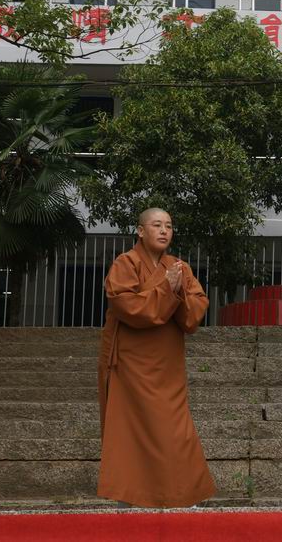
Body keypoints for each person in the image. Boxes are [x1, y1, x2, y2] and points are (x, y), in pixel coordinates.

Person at [97, 207, 215, 508]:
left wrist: (177, 292)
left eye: (169, 226)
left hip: (167, 365)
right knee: (132, 430)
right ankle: (131, 497)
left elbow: (195, 312)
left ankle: (183, 495)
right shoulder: (125, 263)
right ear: (140, 231)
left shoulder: (179, 267)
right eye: (157, 225)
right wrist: (167, 289)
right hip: (132, 363)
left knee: (177, 430)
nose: (164, 230)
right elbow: (128, 307)